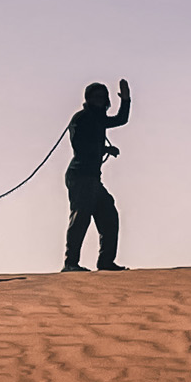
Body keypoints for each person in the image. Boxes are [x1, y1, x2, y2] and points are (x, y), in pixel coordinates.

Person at [64, 78, 129, 271]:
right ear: (89, 99)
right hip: (80, 176)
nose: (100, 100)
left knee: (109, 215)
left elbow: (121, 120)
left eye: (103, 97)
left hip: (93, 178)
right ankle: (70, 263)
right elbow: (80, 146)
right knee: (80, 218)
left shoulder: (99, 120)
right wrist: (104, 150)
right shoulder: (82, 118)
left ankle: (106, 262)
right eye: (96, 97)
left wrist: (126, 100)